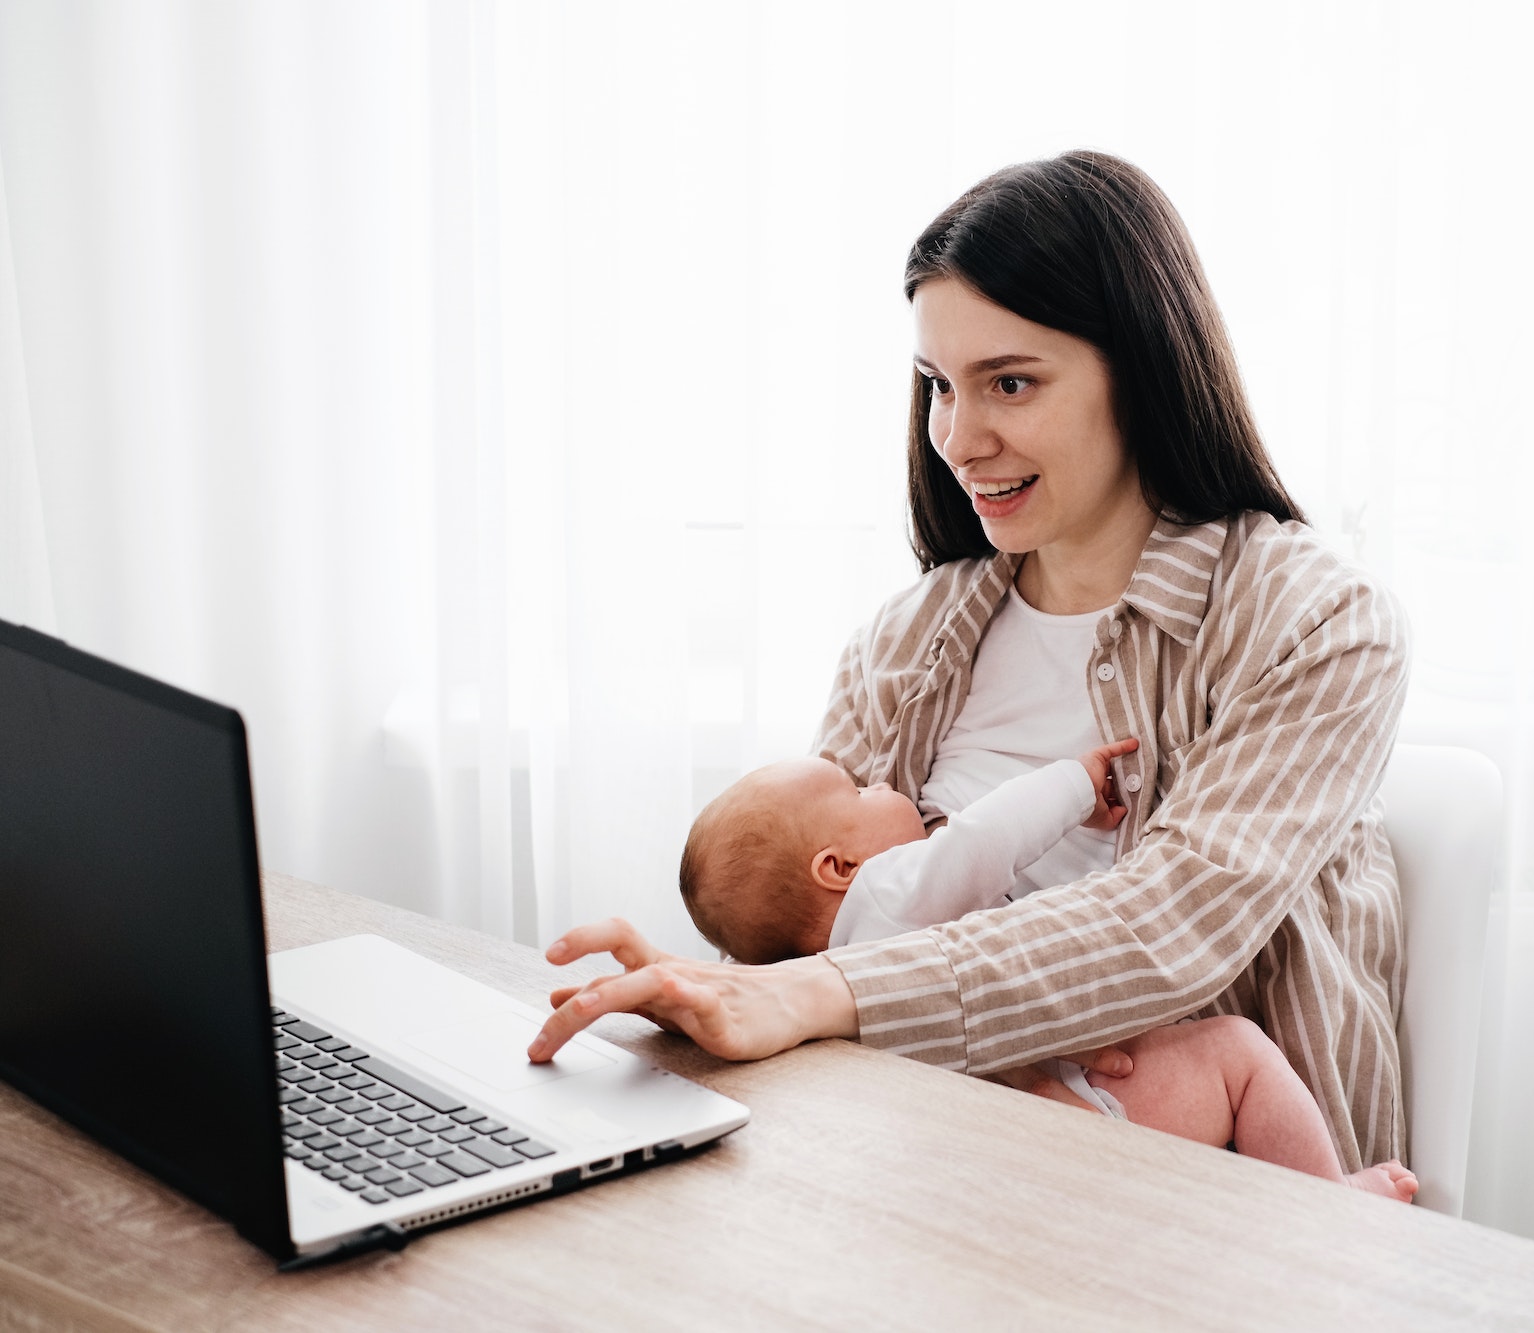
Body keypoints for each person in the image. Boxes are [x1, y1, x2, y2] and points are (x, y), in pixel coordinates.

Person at [529, 149, 1411, 1183]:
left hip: (1224, 1196)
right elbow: (815, 922)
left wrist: (829, 998)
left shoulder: (1314, 622)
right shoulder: (909, 641)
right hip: (936, 1148)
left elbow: (1169, 927)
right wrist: (704, 988)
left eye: (1009, 383)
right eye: (938, 385)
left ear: (1143, 368)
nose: (957, 435)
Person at [675, 741, 1419, 1198]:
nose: (882, 784)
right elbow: (983, 837)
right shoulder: (886, 892)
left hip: (1001, 1157)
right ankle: (1329, 1202)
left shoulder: (816, 985)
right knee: (1239, 1054)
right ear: (839, 867)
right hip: (1073, 1104)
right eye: (859, 791)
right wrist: (1073, 783)